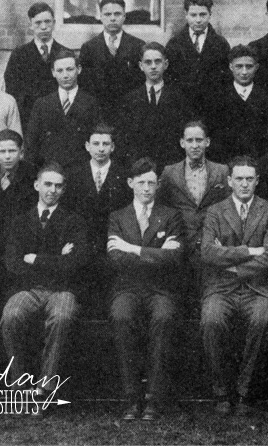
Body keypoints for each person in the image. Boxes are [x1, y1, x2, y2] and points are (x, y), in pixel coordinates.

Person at [1, 162, 89, 416]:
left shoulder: (74, 222)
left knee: (62, 316)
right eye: (47, 184)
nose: (52, 190)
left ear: (64, 190)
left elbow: (75, 264)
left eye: (58, 186)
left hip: (62, 289)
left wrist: (35, 258)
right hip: (27, 289)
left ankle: (45, 389)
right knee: (12, 315)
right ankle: (20, 386)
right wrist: (56, 258)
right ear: (37, 185)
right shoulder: (20, 221)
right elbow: (12, 263)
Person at [200, 156, 268, 416]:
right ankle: (221, 391)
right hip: (221, 288)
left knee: (262, 318)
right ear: (229, 181)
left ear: (257, 181)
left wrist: (235, 265)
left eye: (249, 179)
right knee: (211, 319)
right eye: (239, 179)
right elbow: (207, 252)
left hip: (258, 287)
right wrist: (249, 250)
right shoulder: (216, 210)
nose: (244, 184)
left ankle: (245, 391)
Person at [107, 157, 185, 420]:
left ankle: (154, 397)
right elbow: (116, 259)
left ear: (158, 184)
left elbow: (174, 258)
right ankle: (132, 398)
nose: (147, 188)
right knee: (121, 317)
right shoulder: (117, 217)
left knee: (163, 318)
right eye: (141, 182)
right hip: (127, 287)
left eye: (151, 183)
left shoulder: (171, 215)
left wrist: (133, 249)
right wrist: (155, 254)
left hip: (160, 289)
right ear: (130, 183)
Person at [157, 121, 230, 313]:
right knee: (180, 304)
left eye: (199, 140)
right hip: (182, 246)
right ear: (182, 143)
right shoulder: (169, 173)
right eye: (190, 140)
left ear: (208, 142)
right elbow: (161, 209)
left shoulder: (221, 172)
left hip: (210, 246)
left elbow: (228, 208)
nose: (195, 145)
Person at [64, 123, 132, 316]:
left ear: (113, 147)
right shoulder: (74, 175)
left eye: (105, 143)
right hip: (83, 244)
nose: (101, 148)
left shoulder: (123, 175)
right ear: (87, 146)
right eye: (96, 143)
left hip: (112, 243)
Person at [0, 129, 38, 312]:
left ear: (21, 152)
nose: (7, 156)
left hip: (24, 247)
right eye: (2, 152)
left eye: (12, 151)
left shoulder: (34, 178)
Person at [118, 42, 191, 167]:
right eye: (148, 62)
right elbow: (126, 139)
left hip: (170, 165)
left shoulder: (179, 98)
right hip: (139, 167)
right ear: (141, 66)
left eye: (157, 62)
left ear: (166, 64)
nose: (153, 66)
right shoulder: (130, 100)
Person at [26, 49, 101, 168]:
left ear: (79, 69)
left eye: (70, 69)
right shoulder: (42, 104)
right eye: (60, 71)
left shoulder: (91, 103)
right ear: (53, 72)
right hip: (50, 171)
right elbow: (32, 145)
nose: (65, 75)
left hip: (80, 171)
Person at [78, 0, 145, 125]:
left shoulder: (138, 46)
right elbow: (84, 85)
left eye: (117, 14)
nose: (113, 18)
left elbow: (141, 83)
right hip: (99, 115)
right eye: (108, 14)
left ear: (124, 16)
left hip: (130, 114)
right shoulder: (89, 48)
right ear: (101, 17)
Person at [208, 44, 268, 161]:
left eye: (249, 66)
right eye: (239, 66)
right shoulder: (218, 98)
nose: (244, 72)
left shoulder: (267, 99)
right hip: (226, 161)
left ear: (256, 67)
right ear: (231, 67)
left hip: (258, 161)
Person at [164, 0, 231, 116]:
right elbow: (169, 79)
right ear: (186, 15)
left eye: (203, 15)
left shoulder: (221, 44)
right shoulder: (174, 44)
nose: (198, 20)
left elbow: (226, 80)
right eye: (193, 15)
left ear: (210, 15)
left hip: (213, 110)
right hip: (182, 109)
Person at [4, 2, 67, 131]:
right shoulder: (19, 55)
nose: (43, 27)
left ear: (54, 23)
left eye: (47, 22)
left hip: (58, 121)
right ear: (31, 25)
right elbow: (12, 91)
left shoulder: (64, 53)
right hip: (28, 121)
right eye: (38, 23)